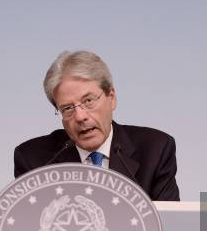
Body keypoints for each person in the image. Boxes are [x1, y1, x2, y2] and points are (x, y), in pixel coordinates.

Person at [14, 50, 180, 201]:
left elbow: (170, 226)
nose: (80, 116)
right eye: (67, 108)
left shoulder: (155, 149)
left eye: (88, 101)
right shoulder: (34, 161)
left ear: (112, 97)